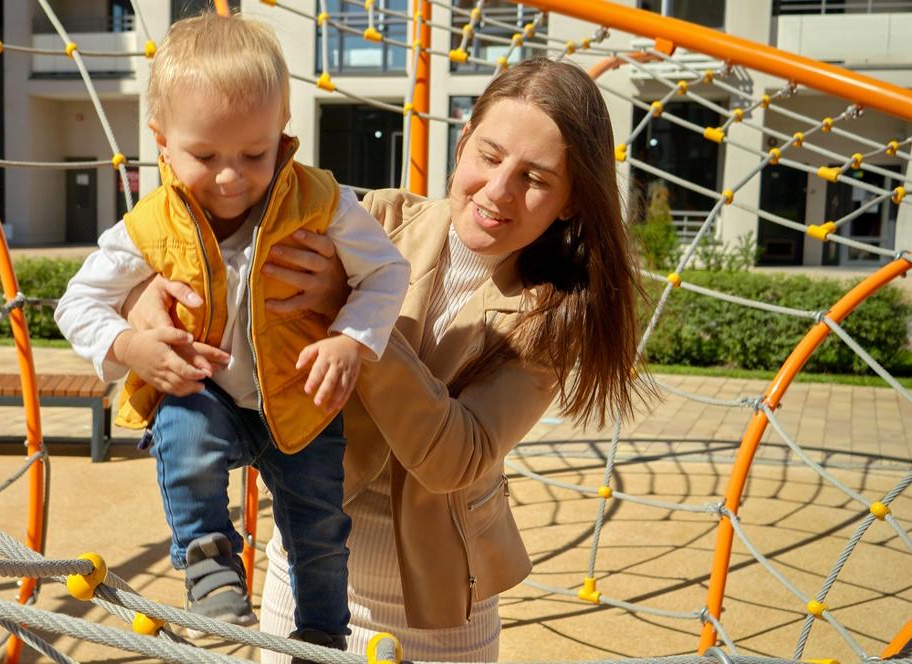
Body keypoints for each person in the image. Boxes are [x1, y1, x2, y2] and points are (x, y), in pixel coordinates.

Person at [123, 57, 649, 662]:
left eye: (534, 178)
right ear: (462, 144)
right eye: (489, 155)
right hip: (309, 572)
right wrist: (143, 298)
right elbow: (212, 246)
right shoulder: (375, 219)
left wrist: (354, 317)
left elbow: (457, 458)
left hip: (439, 609)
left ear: (571, 201)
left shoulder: (553, 314)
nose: (498, 190)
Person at [53, 10, 410, 654]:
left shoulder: (319, 201)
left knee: (319, 527)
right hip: (207, 392)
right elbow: (77, 303)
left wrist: (351, 338)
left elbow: (387, 271)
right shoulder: (151, 222)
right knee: (182, 433)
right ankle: (210, 563)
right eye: (205, 155)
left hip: (298, 398)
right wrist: (130, 346)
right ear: (162, 142)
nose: (229, 176)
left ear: (282, 131)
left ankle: (323, 631)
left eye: (253, 153)